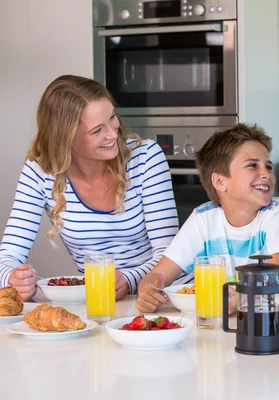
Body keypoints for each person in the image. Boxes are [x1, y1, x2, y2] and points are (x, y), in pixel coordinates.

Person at [0, 75, 179, 300]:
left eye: (112, 118)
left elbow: (170, 254)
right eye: (97, 131)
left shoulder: (145, 158)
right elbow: (8, 255)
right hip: (99, 303)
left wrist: (128, 279)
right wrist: (11, 278)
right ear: (65, 139)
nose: (113, 134)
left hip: (164, 299)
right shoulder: (40, 171)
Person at [136, 123, 279, 313]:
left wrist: (240, 299)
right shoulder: (203, 219)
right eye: (253, 166)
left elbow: (274, 279)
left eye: (268, 166)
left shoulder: (278, 213)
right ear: (220, 182)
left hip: (271, 324)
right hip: (221, 323)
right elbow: (159, 274)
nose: (266, 174)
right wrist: (149, 290)